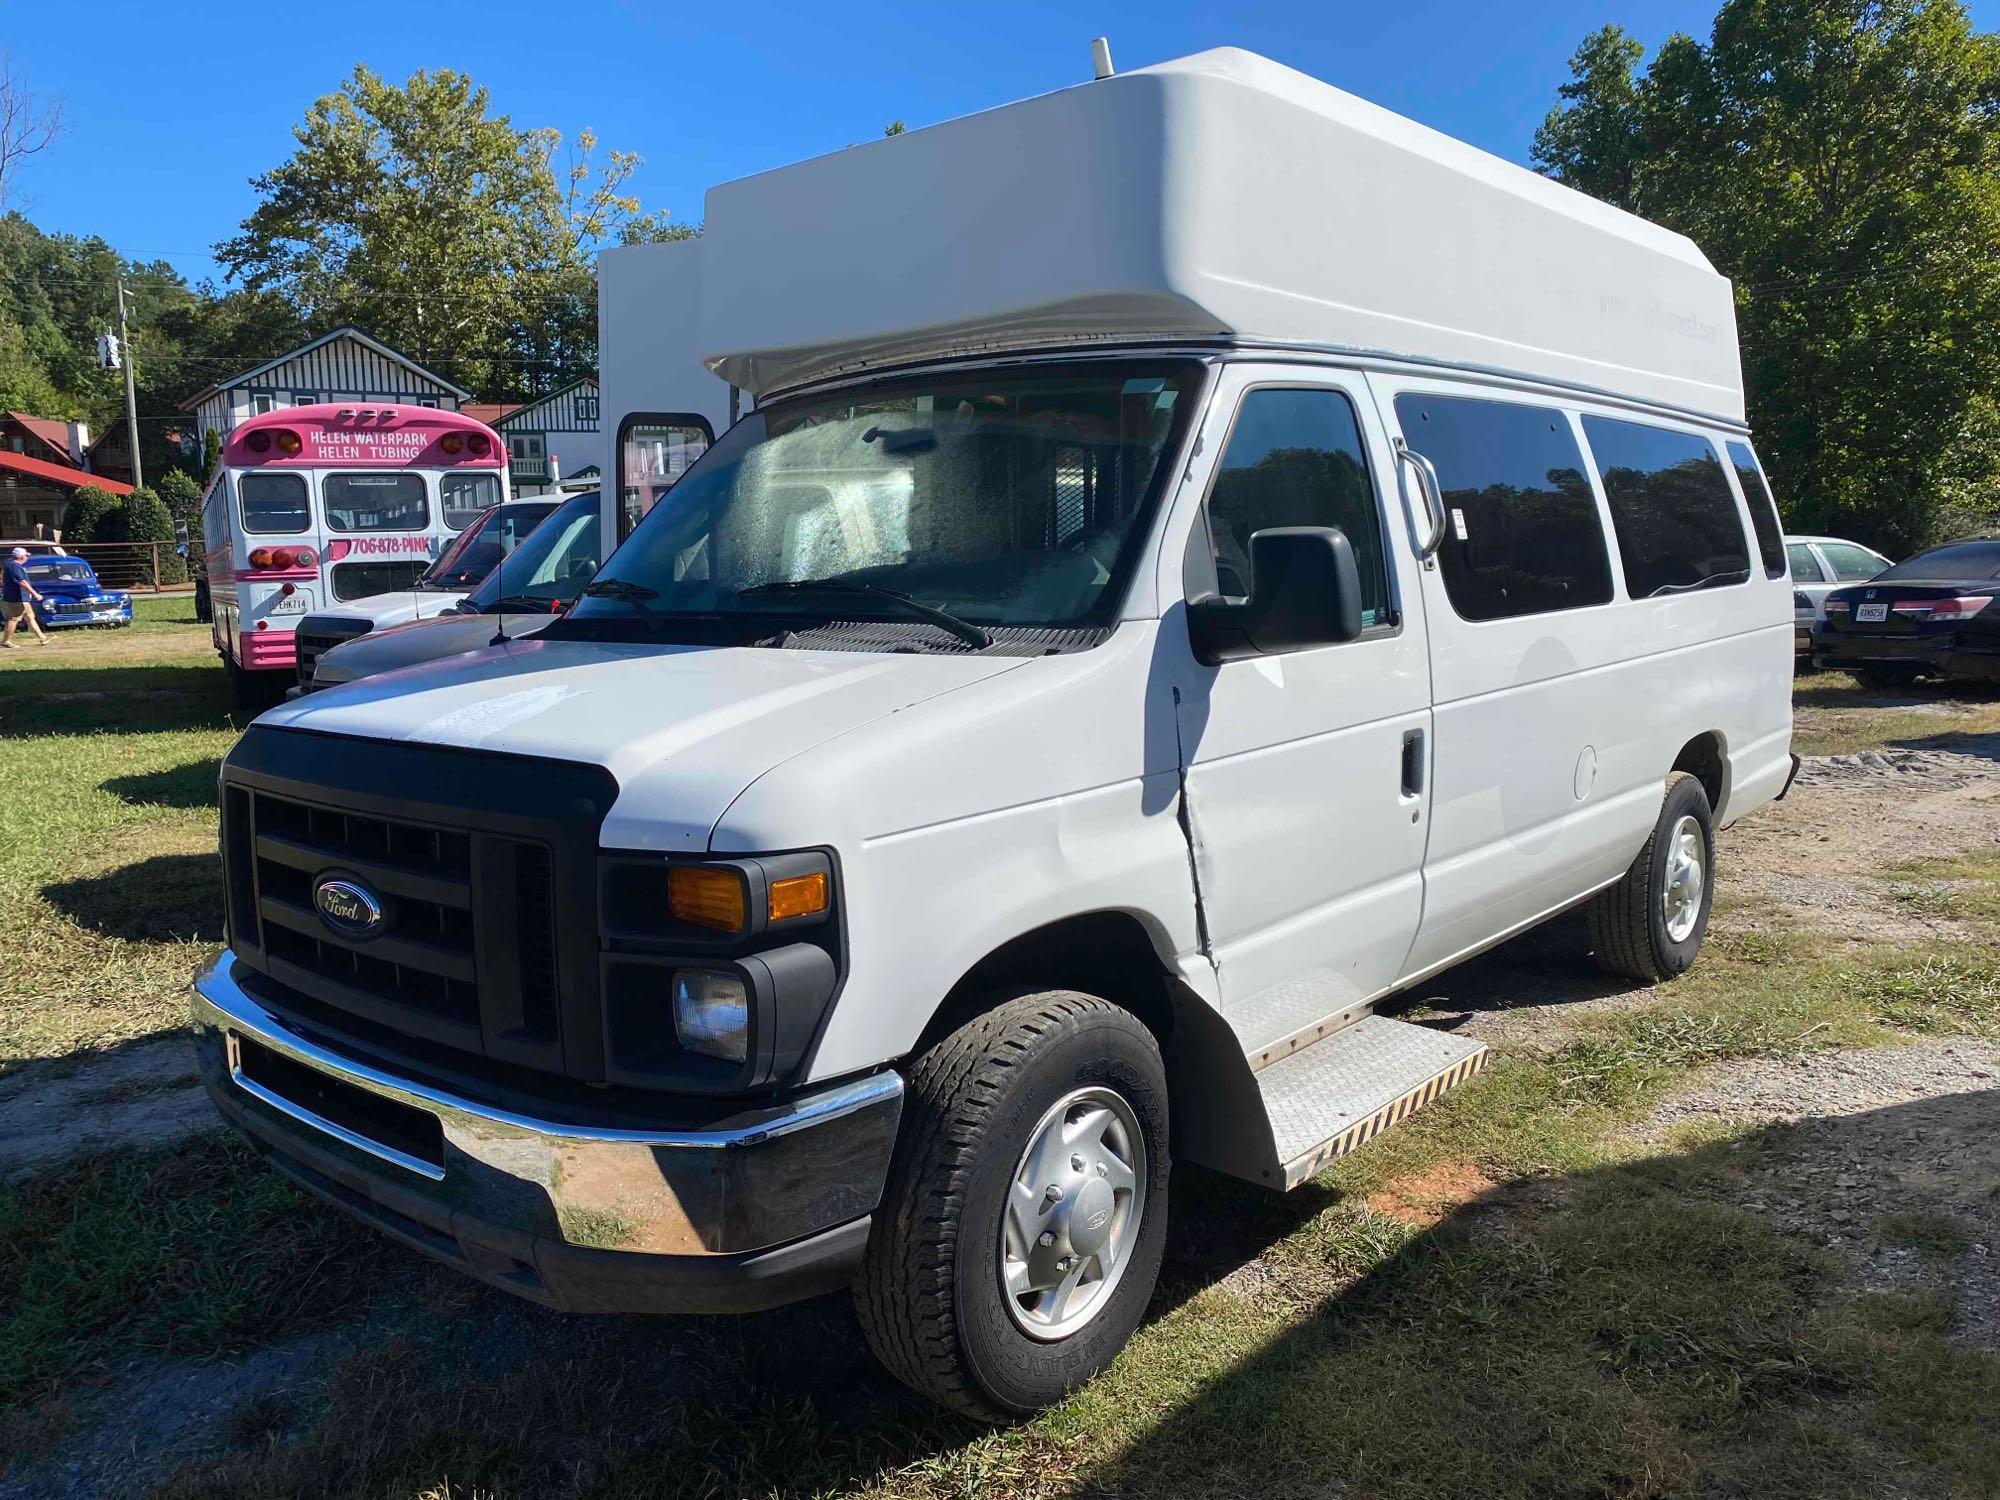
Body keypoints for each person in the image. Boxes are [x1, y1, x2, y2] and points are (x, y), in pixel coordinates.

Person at [3, 546, 49, 648]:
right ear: (20, 557)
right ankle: (6, 641)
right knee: (14, 619)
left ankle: (42, 638)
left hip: (22, 598)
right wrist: (35, 594)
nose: (26, 557)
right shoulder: (15, 566)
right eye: (25, 555)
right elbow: (22, 582)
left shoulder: (11, 565)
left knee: (30, 617)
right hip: (16, 598)